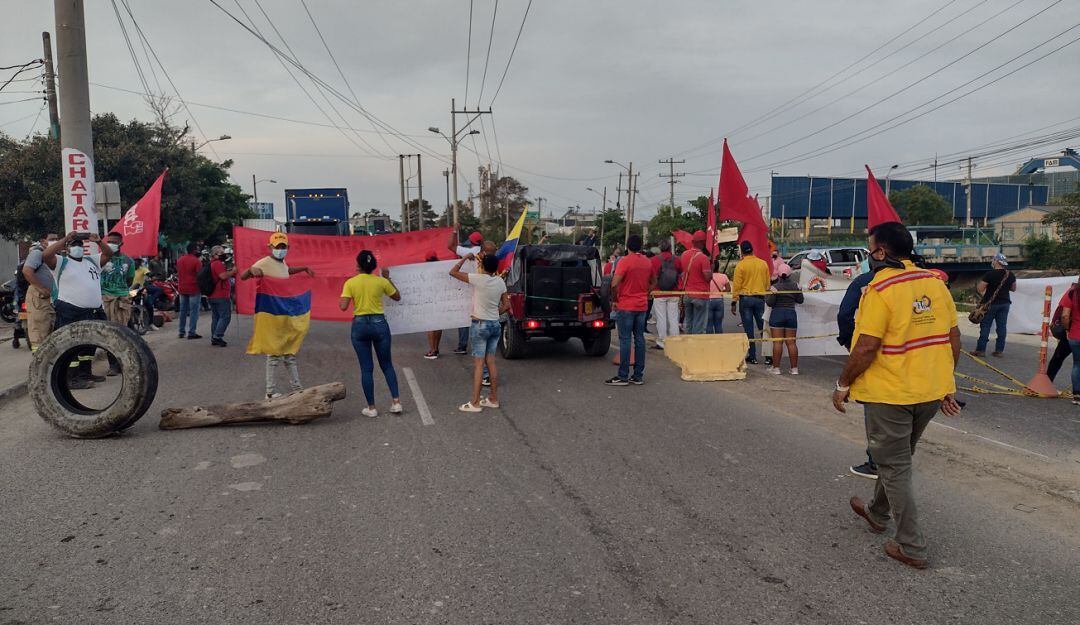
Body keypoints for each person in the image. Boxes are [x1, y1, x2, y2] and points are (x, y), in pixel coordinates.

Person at [834, 221, 962, 570]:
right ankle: (877, 513)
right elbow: (953, 340)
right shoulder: (935, 284)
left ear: (880, 252)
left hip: (891, 393)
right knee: (898, 457)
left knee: (894, 464)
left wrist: (842, 385)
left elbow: (866, 347)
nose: (870, 254)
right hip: (930, 392)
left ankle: (912, 546)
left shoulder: (880, 288)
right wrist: (946, 383)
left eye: (870, 248)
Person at [240, 232, 316, 399]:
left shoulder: (282, 263)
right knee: (274, 355)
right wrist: (251, 269)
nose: (280, 250)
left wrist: (303, 268)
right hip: (271, 315)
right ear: (271, 247)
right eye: (277, 247)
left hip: (285, 314)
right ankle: (270, 392)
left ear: (287, 248)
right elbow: (244, 276)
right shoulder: (265, 262)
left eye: (283, 247)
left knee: (289, 353)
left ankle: (297, 388)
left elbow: (287, 270)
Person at [41, 231, 114, 389]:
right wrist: (66, 239)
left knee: (89, 345)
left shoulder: (91, 261)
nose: (78, 247)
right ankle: (71, 378)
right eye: (74, 245)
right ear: (67, 249)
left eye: (80, 245)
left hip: (93, 311)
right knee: (71, 345)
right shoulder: (62, 262)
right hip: (70, 310)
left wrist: (99, 241)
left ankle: (84, 373)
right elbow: (46, 255)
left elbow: (109, 254)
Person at [339, 249, 403, 417]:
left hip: (360, 325)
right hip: (379, 323)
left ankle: (371, 408)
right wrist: (387, 278)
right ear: (373, 265)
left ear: (358, 265)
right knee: (387, 364)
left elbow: (343, 306)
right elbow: (397, 297)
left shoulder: (350, 283)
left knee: (366, 368)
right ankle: (396, 402)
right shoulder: (380, 281)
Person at [837, 259, 880, 480]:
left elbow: (844, 315)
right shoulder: (926, 280)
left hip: (875, 359)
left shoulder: (865, 281)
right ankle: (898, 457)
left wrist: (849, 341)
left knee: (874, 408)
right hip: (917, 361)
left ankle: (876, 462)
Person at [451, 252, 509, 411]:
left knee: (478, 365)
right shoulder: (499, 282)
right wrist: (497, 312)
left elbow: (453, 272)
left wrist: (463, 258)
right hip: (494, 325)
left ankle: (475, 402)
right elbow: (506, 305)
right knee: (491, 362)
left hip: (480, 325)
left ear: (482, 266)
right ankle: (493, 399)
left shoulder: (478, 279)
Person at [606, 234, 654, 386]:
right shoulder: (647, 262)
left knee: (625, 340)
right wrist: (646, 293)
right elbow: (654, 281)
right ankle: (638, 375)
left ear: (627, 246)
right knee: (639, 339)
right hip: (642, 306)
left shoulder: (625, 261)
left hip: (626, 305)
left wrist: (615, 299)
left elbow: (614, 284)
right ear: (640, 246)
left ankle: (623, 376)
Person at [99, 232, 136, 375]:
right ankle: (113, 365)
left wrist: (120, 290)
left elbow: (129, 280)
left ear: (121, 243)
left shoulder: (128, 261)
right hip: (106, 299)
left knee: (124, 332)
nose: (111, 244)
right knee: (109, 333)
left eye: (114, 241)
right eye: (109, 241)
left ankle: (126, 362)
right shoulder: (102, 259)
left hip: (122, 300)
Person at [731, 240, 771, 364]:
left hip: (746, 300)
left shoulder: (741, 265)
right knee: (763, 328)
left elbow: (737, 285)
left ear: (742, 252)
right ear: (752, 250)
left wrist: (734, 301)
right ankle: (768, 356)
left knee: (749, 329)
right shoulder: (763, 264)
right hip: (760, 299)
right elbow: (767, 284)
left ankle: (752, 356)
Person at [20, 232, 59, 350]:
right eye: (52, 239)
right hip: (39, 296)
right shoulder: (38, 253)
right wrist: (41, 288)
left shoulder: (55, 255)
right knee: (40, 330)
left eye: (57, 239)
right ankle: (39, 364)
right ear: (43, 241)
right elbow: (27, 271)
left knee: (51, 329)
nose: (55, 241)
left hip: (51, 297)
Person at [973, 252, 1016, 357]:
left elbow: (980, 288)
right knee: (1001, 327)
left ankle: (981, 350)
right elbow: (1013, 289)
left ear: (996, 261)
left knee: (985, 326)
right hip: (1005, 303)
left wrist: (986, 293)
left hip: (990, 304)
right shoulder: (1010, 274)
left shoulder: (990, 274)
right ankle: (999, 351)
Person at [449, 230, 484, 355]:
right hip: (482, 287)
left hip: (467, 287)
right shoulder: (485, 252)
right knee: (480, 317)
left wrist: (454, 231)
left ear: (471, 242)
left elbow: (450, 246)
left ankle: (462, 346)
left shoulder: (469, 251)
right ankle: (482, 345)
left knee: (463, 318)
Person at [764, 264, 803, 375]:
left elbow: (769, 303)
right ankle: (794, 368)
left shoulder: (775, 287)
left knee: (777, 342)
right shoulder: (796, 286)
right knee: (791, 343)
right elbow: (800, 300)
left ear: (779, 275)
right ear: (790, 274)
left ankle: (776, 368)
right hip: (791, 314)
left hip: (777, 314)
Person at [650, 239, 682, 348]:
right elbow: (680, 273)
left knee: (661, 318)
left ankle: (662, 342)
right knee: (673, 318)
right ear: (670, 248)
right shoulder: (677, 260)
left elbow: (652, 276)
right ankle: (675, 340)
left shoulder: (654, 260)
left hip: (659, 292)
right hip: (674, 292)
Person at [679, 231, 712, 335]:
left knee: (689, 322)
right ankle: (696, 346)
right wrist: (711, 270)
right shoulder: (703, 258)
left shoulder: (684, 255)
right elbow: (707, 277)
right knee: (699, 324)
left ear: (693, 241)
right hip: (700, 295)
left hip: (687, 294)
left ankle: (688, 344)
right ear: (702, 242)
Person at [1047, 278, 1078, 383]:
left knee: (1059, 357)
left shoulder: (1072, 291)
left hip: (1072, 332)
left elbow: (1063, 312)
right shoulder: (1072, 291)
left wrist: (1065, 329)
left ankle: (1048, 381)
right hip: (1072, 331)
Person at [207, 246, 236, 347]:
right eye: (221, 253)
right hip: (220, 294)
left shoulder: (211, 264)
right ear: (215, 254)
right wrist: (233, 271)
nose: (223, 254)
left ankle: (214, 336)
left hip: (212, 294)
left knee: (216, 317)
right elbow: (222, 276)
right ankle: (217, 336)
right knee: (225, 317)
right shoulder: (217, 264)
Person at [176, 243, 203, 339]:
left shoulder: (179, 260)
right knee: (193, 311)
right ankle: (192, 332)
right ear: (195, 250)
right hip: (194, 289)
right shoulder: (197, 261)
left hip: (182, 288)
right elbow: (200, 276)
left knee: (183, 311)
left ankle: (181, 331)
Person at [423, 251, 444, 359]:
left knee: (430, 326)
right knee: (438, 325)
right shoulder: (441, 268)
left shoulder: (424, 270)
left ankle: (432, 350)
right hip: (440, 299)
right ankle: (436, 348)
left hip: (430, 300)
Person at [707, 259, 730, 334]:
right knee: (718, 324)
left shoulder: (707, 277)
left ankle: (710, 342)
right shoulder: (724, 276)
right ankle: (719, 340)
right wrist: (720, 292)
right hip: (719, 300)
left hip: (708, 300)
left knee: (709, 324)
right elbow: (728, 289)